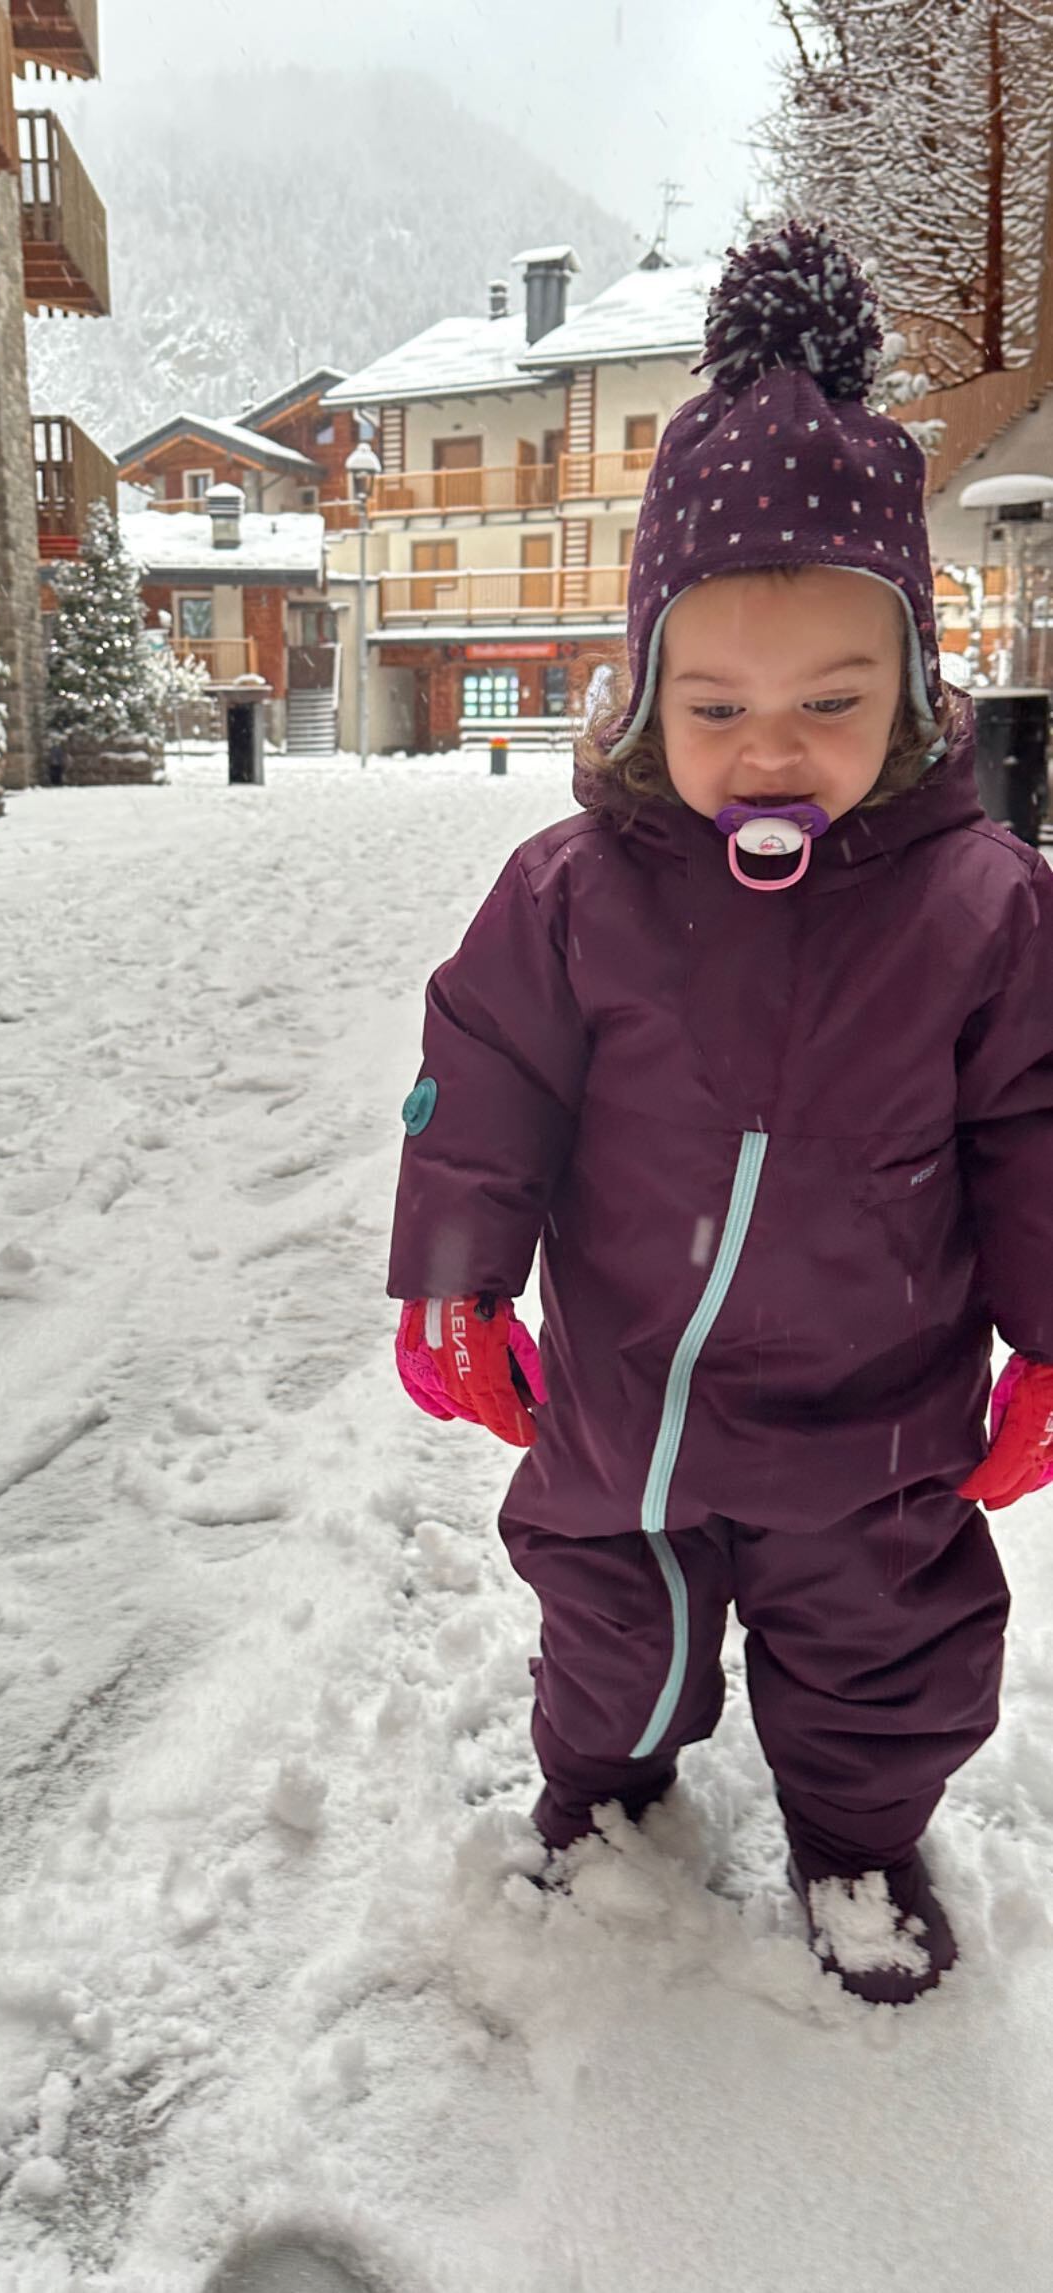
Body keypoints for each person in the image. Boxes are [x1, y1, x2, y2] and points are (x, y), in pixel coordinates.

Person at [388, 221, 1053, 2007]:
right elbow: (483, 1075)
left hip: (876, 1433)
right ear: (642, 693)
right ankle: (603, 1791)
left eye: (833, 700)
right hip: (627, 1419)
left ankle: (852, 1843)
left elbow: (1035, 1129)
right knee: (612, 1645)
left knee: (889, 1666)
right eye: (718, 704)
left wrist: (1050, 1342)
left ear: (913, 688)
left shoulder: (980, 905)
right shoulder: (572, 892)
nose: (774, 746)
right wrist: (455, 1270)